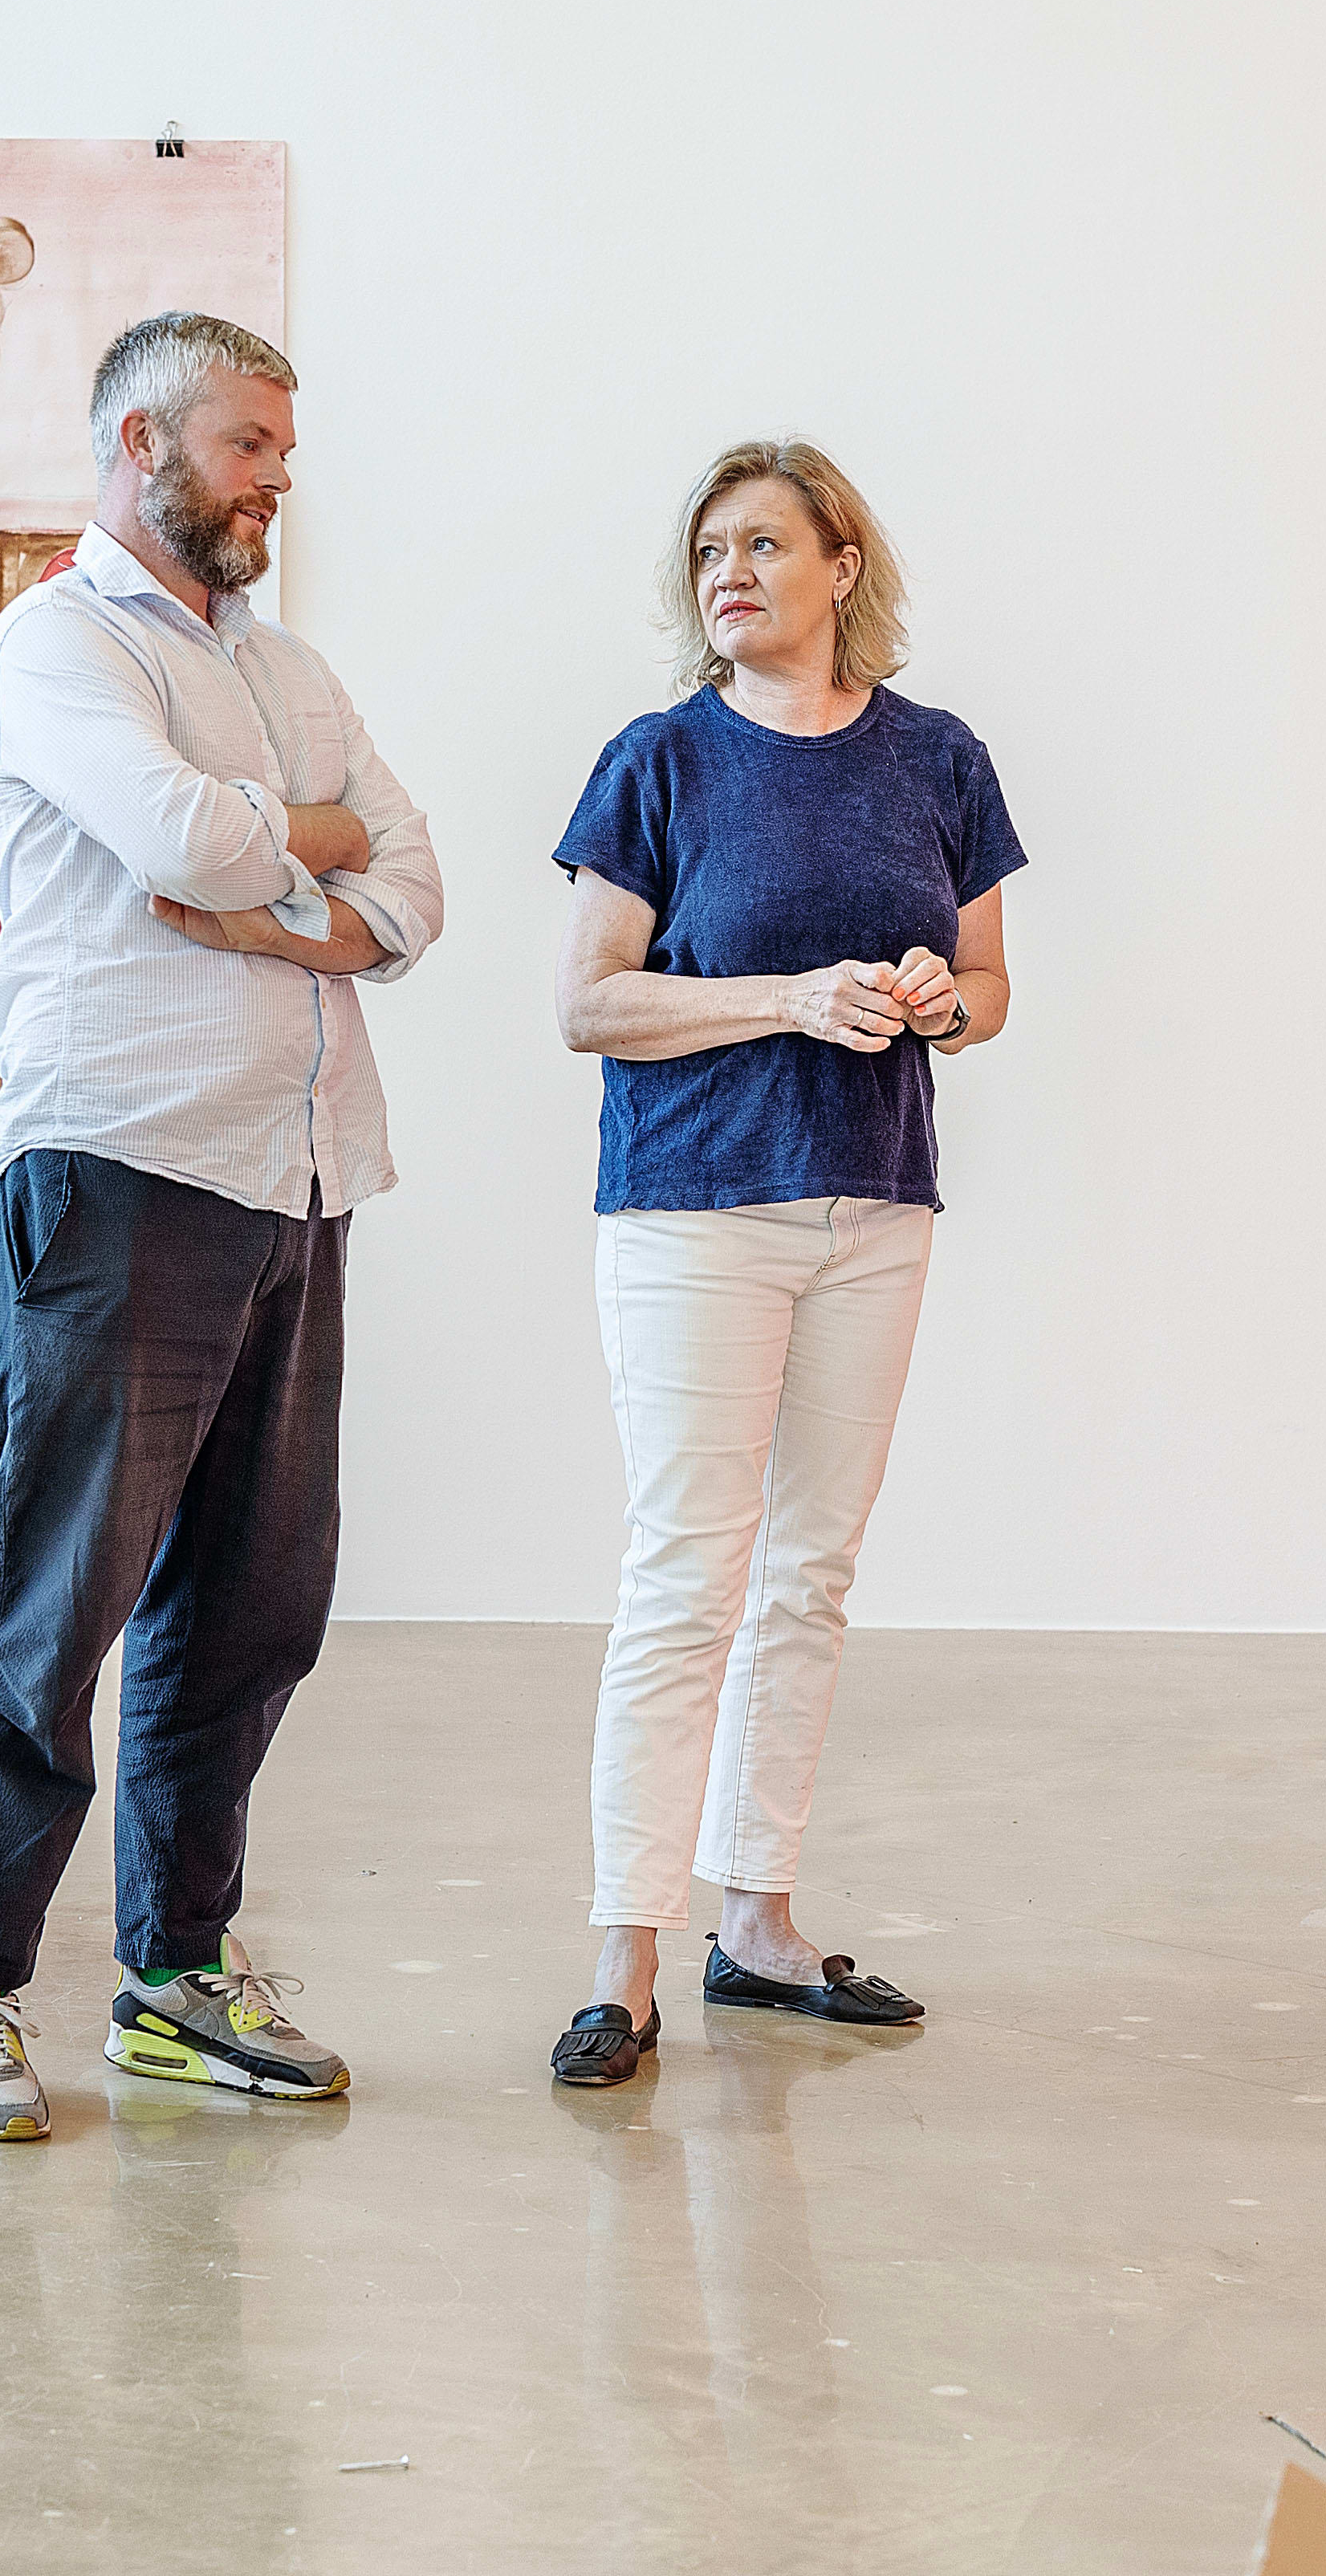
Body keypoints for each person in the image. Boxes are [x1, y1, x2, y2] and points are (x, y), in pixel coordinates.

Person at [0, 313, 446, 2143]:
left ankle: (177, 1979)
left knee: (253, 1609)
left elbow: (417, 888)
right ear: (141, 443)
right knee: (55, 1606)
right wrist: (303, 847)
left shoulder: (288, 668)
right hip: (120, 1174)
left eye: (283, 448)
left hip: (299, 1179)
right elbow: (184, 842)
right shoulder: (56, 643)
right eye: (247, 444)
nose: (277, 477)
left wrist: (274, 878)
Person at [541, 440, 1023, 2090]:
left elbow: (988, 984)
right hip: (694, 1209)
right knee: (686, 1576)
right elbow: (588, 1003)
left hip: (875, 1205)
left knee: (810, 1572)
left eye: (761, 543)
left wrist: (939, 1001)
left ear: (840, 567)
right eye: (708, 552)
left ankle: (757, 1919)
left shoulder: (936, 758)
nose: (729, 574)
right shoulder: (659, 760)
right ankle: (624, 1956)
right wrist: (791, 999)